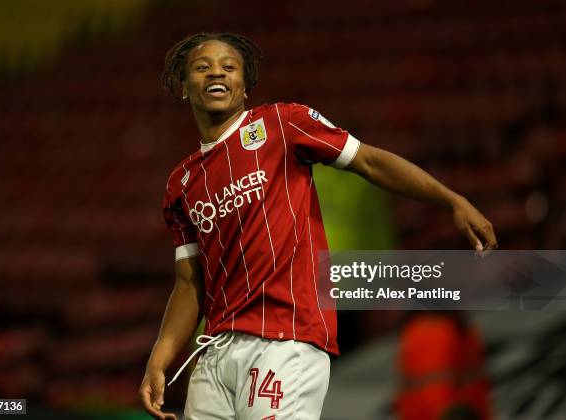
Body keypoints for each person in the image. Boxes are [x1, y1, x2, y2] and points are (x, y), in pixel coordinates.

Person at [139, 32, 497, 420]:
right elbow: (190, 283)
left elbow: (370, 162)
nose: (216, 74)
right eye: (202, 67)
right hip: (216, 350)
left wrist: (451, 199)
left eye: (229, 66)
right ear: (183, 84)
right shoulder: (182, 184)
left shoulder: (283, 123)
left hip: (285, 339)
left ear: (246, 85)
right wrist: (159, 358)